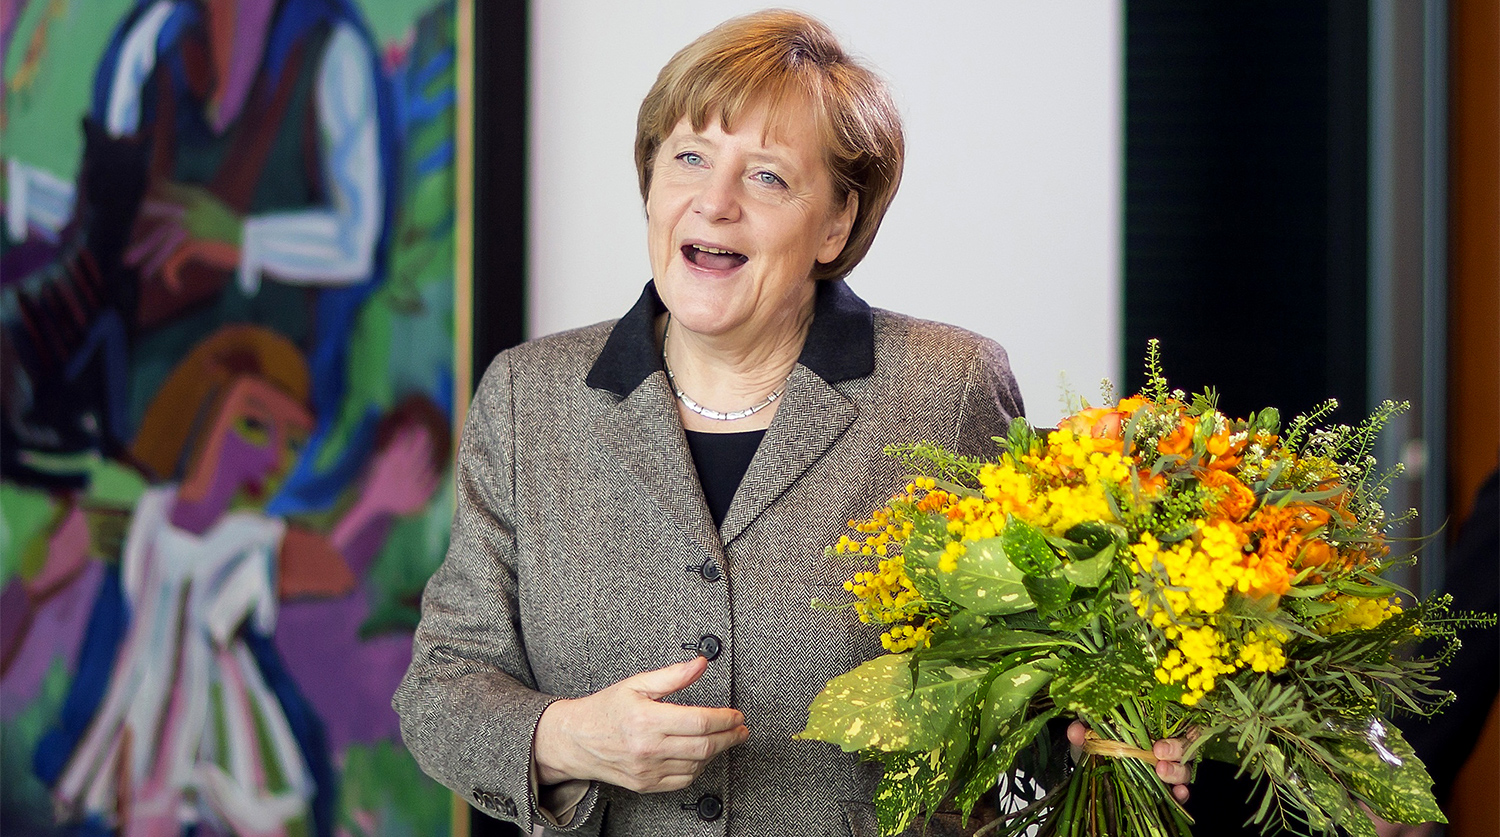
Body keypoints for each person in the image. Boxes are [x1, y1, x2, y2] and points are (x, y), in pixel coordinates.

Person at [394, 11, 1189, 836]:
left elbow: (1031, 704)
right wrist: (569, 738)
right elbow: (442, 689)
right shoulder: (528, 397)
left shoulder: (948, 389)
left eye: (767, 176)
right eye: (689, 158)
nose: (715, 202)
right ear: (651, 181)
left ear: (836, 223)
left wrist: (1113, 744)